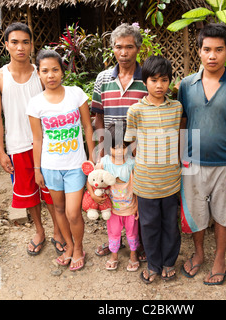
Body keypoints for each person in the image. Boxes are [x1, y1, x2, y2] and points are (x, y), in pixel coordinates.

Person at [178, 23, 226, 285]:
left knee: (224, 214)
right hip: (192, 164)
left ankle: (220, 259)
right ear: (199, 51)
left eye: (219, 50)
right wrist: (181, 159)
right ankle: (199, 254)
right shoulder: (186, 85)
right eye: (207, 49)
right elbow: (182, 123)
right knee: (195, 213)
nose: (212, 55)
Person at [0, 22, 65, 256]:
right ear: (6, 45)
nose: (20, 47)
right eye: (14, 42)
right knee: (29, 193)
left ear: (32, 45)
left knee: (50, 191)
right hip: (18, 145)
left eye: (25, 42)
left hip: (47, 144)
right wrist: (1, 152)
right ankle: (39, 230)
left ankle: (58, 231)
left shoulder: (41, 74)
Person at [27, 50, 95, 271]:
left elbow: (87, 127)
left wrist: (92, 158)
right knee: (58, 208)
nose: (51, 75)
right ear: (38, 74)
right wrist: (37, 169)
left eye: (55, 69)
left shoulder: (76, 94)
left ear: (63, 72)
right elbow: (37, 139)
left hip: (75, 165)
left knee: (73, 212)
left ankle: (78, 248)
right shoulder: (35, 104)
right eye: (45, 71)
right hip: (50, 166)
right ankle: (68, 246)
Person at [91, 23, 148, 259]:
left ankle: (140, 243)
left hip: (140, 152)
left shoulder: (148, 79)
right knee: (112, 197)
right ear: (112, 49)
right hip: (112, 152)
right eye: (118, 47)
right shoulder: (103, 79)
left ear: (138, 49)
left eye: (129, 47)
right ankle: (114, 242)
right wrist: (101, 152)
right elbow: (98, 117)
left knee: (137, 198)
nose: (123, 52)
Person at [125, 55, 182, 284]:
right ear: (144, 81)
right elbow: (131, 144)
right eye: (154, 80)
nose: (159, 85)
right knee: (149, 225)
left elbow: (179, 138)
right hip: (146, 182)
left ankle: (169, 262)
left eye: (164, 80)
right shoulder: (135, 111)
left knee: (170, 224)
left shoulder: (176, 108)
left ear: (170, 81)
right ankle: (154, 264)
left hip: (171, 180)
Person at [90, 122, 140, 272]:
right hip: (112, 209)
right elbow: (91, 178)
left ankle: (133, 255)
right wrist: (93, 194)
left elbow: (138, 186)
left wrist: (138, 205)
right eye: (115, 147)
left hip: (130, 208)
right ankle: (114, 256)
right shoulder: (104, 163)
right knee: (113, 233)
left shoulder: (132, 163)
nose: (119, 151)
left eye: (123, 147)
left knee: (132, 233)